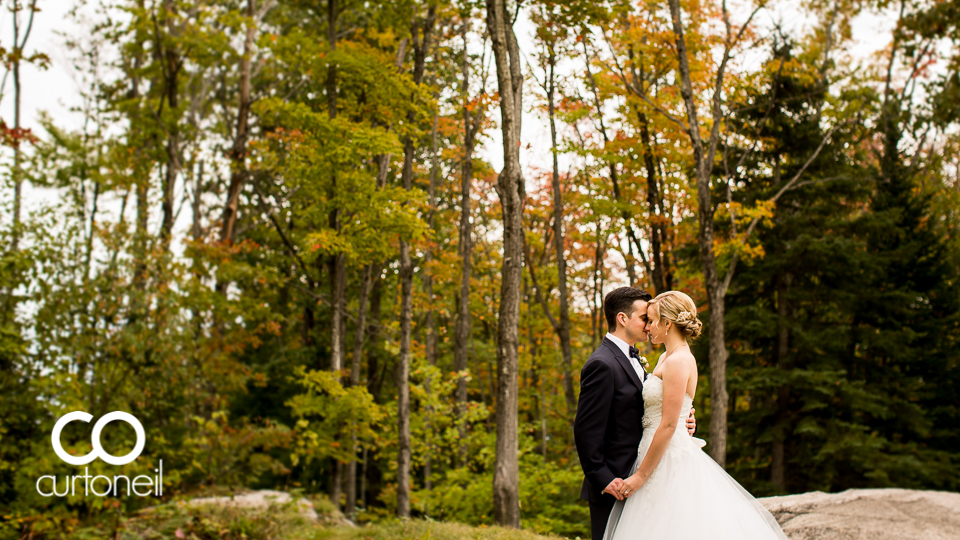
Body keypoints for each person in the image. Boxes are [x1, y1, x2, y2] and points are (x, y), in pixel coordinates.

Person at [602, 291, 788, 540]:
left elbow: (668, 425)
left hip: (667, 458)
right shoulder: (665, 357)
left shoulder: (679, 360)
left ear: (667, 324)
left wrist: (640, 476)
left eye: (653, 320)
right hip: (652, 450)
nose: (649, 327)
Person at [573, 287, 697, 540]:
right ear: (622, 318)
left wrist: (685, 417)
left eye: (651, 320)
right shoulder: (602, 364)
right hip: (616, 483)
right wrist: (603, 479)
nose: (649, 325)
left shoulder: (643, 357)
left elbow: (653, 407)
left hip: (649, 472)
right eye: (644, 318)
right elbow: (586, 430)